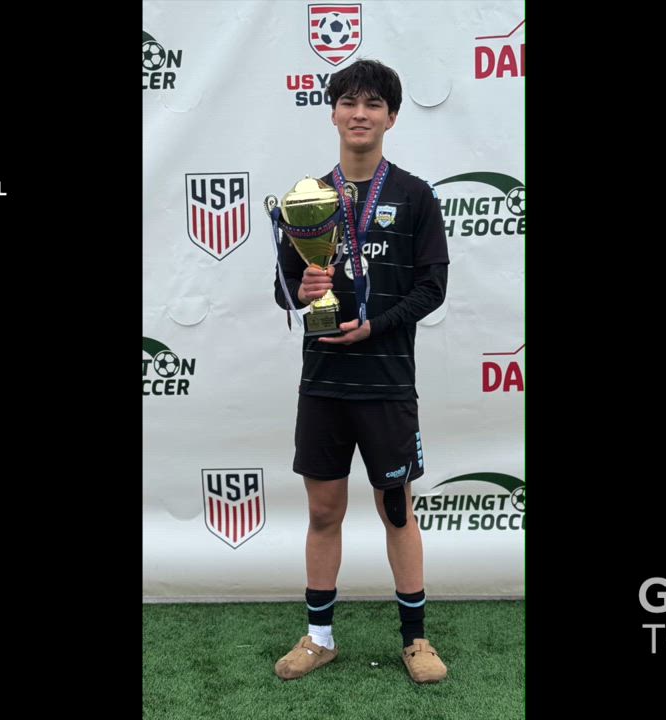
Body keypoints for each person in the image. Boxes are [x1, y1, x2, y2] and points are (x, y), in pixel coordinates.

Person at [271, 59, 450, 684]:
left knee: (397, 510)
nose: (359, 113)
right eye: (349, 101)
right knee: (324, 512)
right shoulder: (305, 200)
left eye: (373, 104)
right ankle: (319, 638)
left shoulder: (415, 195)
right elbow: (283, 290)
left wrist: (377, 324)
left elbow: (433, 287)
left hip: (387, 382)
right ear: (332, 113)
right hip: (323, 382)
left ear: (391, 118)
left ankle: (416, 640)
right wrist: (302, 288)